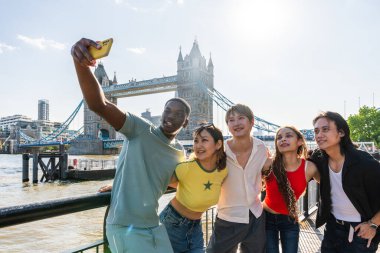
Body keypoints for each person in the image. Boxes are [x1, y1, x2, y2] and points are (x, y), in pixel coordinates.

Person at [71, 38, 191, 253]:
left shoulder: (180, 151)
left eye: (178, 113)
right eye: (167, 110)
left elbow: (172, 182)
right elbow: (98, 104)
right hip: (125, 226)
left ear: (186, 122)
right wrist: (80, 63)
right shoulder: (140, 128)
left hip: (154, 224)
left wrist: (122, 182)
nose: (170, 116)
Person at [309, 111, 380, 253]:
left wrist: (373, 224)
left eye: (325, 129)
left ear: (341, 133)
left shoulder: (364, 163)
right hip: (332, 228)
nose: (319, 135)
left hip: (361, 230)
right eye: (316, 131)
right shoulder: (319, 158)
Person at [206, 104, 268, 253]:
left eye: (241, 118)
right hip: (227, 218)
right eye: (231, 120)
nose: (236, 123)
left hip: (256, 215)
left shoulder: (262, 148)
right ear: (227, 125)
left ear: (252, 122)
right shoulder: (219, 151)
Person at [159, 123, 228, 253]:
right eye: (196, 141)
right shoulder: (186, 167)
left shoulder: (223, 170)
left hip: (195, 225)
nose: (198, 145)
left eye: (204, 140)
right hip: (172, 222)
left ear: (218, 144)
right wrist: (116, 184)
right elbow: (157, 180)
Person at [262, 126, 320, 253]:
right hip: (265, 219)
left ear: (299, 141)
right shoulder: (268, 164)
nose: (283, 139)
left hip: (290, 219)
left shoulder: (309, 168)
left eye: (288, 136)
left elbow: (330, 185)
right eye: (279, 138)